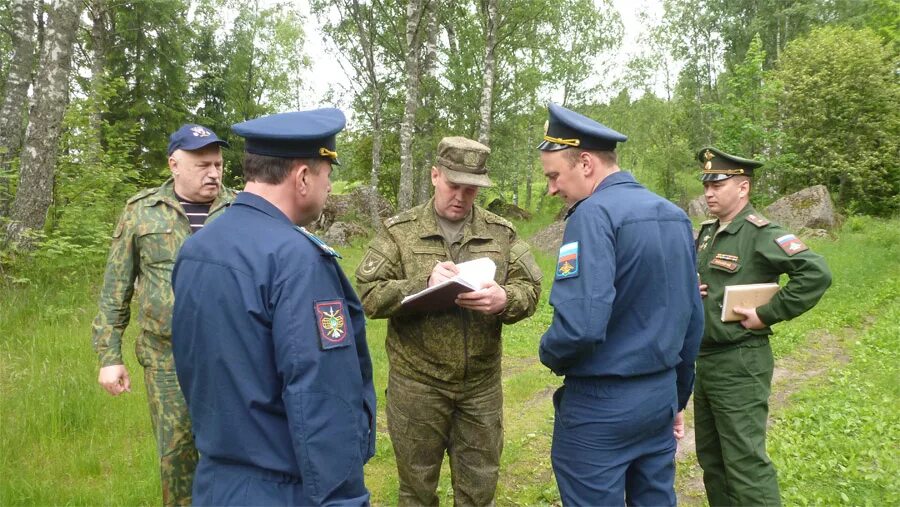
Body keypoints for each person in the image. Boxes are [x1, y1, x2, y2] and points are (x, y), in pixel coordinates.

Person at [171, 108, 376, 506]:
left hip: (215, 483)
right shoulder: (298, 261)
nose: (329, 187)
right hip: (284, 488)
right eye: (326, 174)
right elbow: (321, 397)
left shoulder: (197, 249)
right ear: (302, 177)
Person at [355, 136, 542, 506]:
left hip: (480, 388)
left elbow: (531, 286)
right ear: (435, 175)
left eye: (471, 190)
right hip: (417, 385)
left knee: (478, 491)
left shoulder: (499, 232)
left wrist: (505, 299)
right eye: (454, 185)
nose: (461, 196)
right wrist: (422, 283)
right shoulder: (400, 232)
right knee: (416, 491)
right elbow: (367, 294)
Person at [536, 103, 704, 506]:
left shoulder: (591, 215)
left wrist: (548, 352)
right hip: (658, 398)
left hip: (601, 408)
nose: (552, 189)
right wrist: (676, 398)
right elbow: (692, 320)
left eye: (554, 175)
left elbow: (582, 325)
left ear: (587, 163)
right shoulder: (673, 215)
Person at [91, 124, 233, 506]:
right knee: (177, 457)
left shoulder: (239, 210)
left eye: (218, 164)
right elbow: (114, 289)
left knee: (236, 455)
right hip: (167, 358)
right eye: (203, 164)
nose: (214, 173)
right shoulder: (142, 212)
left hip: (233, 356)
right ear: (174, 164)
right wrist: (109, 357)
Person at [693, 147, 831, 506]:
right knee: (713, 461)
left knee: (744, 464)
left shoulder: (761, 233)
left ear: (743, 188)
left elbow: (815, 273)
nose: (709, 192)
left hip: (740, 360)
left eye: (718, 184)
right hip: (706, 360)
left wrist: (768, 313)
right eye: (706, 184)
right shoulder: (708, 233)